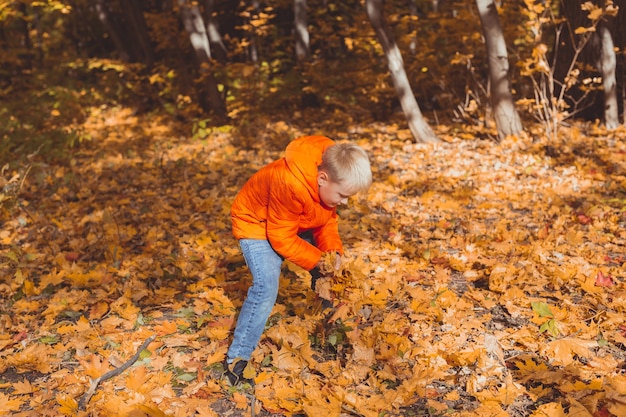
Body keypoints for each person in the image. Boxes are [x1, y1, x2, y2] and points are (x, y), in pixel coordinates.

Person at [223, 135, 372, 385]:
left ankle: (328, 332)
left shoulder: (327, 180)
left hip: (290, 221)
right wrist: (318, 261)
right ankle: (236, 363)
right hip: (257, 226)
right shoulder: (289, 182)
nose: (344, 202)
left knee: (329, 271)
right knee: (266, 287)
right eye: (343, 195)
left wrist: (332, 254)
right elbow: (280, 239)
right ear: (322, 179)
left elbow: (326, 222)